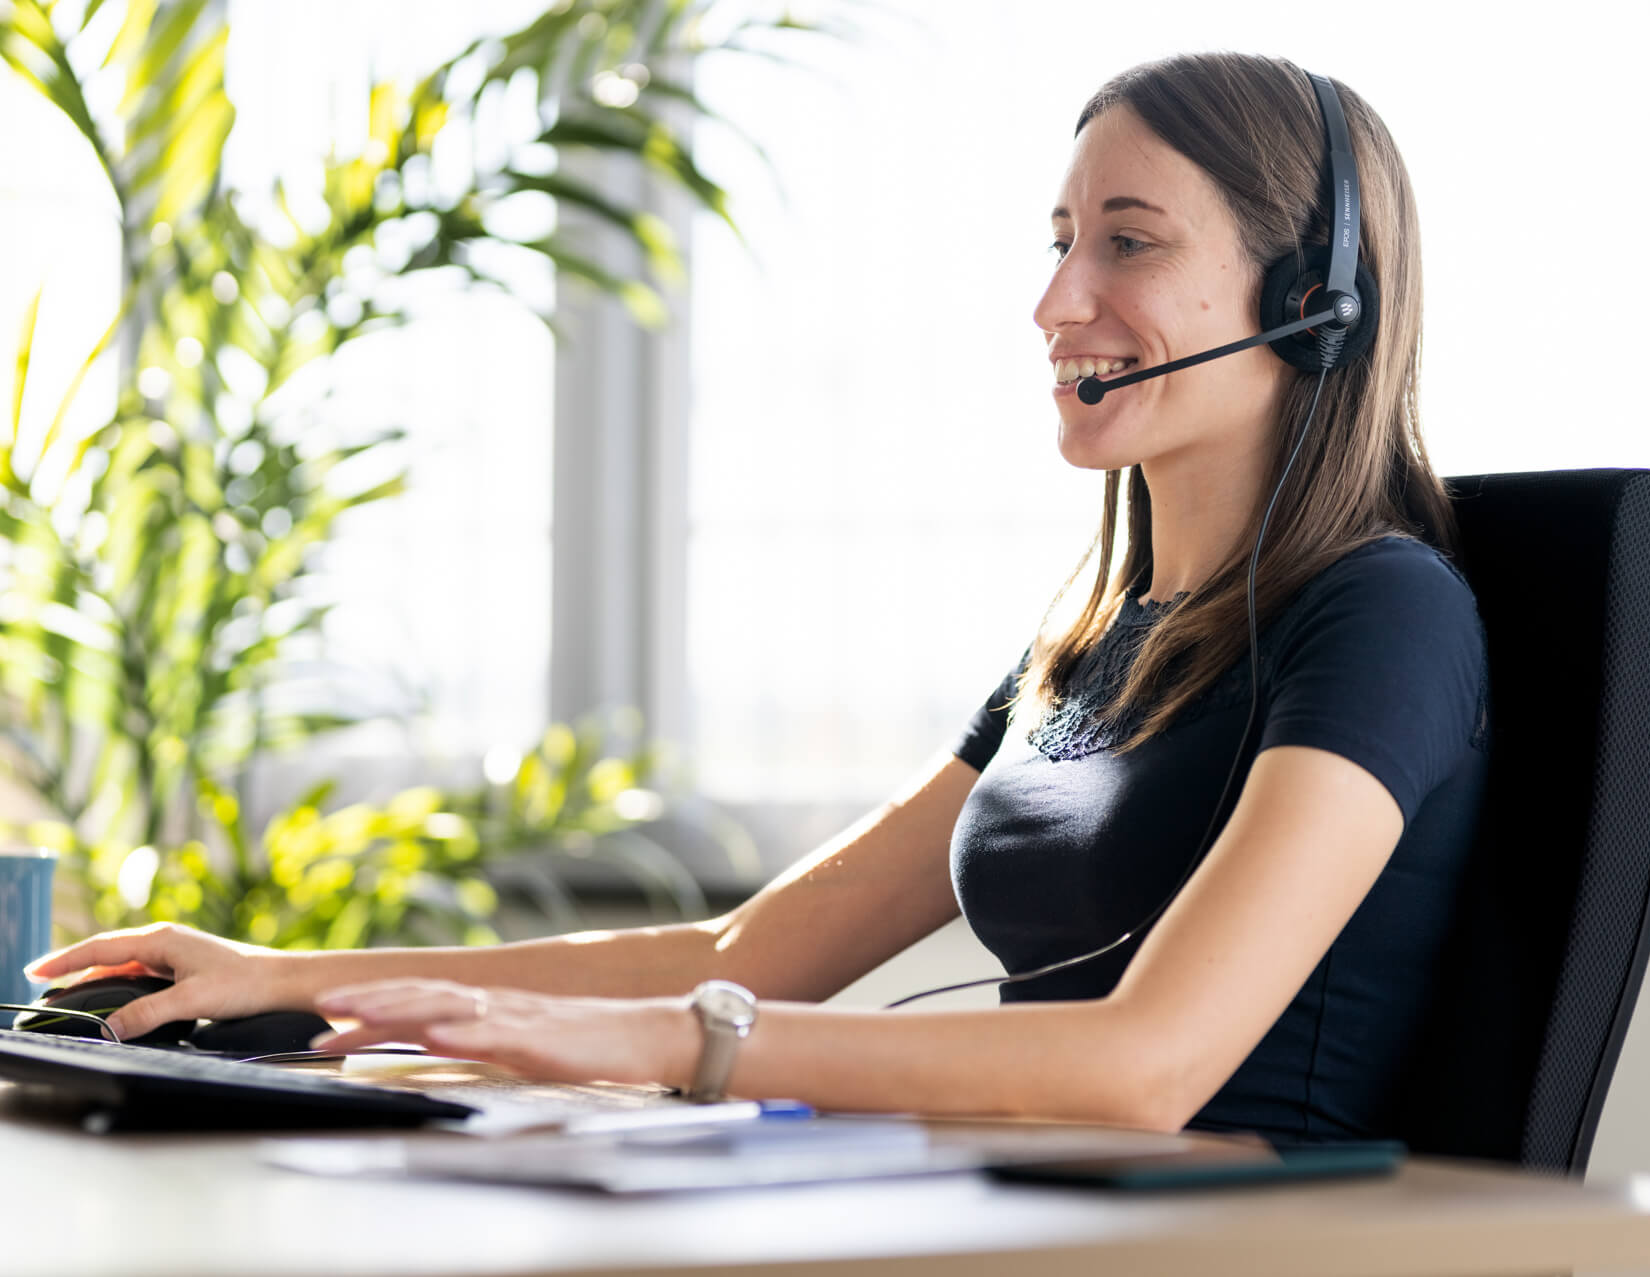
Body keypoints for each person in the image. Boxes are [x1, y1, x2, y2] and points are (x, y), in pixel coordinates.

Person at [24, 52, 1487, 1146]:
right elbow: (747, 956)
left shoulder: (1380, 614)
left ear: (1310, 297)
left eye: (1129, 240)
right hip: (1020, 1211)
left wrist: (671, 1047)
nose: (1057, 301)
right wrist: (294, 977)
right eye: (1060, 241)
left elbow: (1141, 1065)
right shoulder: (1093, 640)